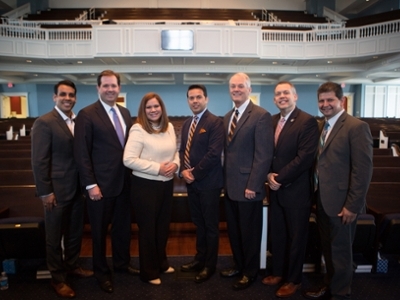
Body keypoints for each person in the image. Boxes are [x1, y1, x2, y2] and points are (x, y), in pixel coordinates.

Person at [303, 82, 373, 300]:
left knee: (341, 252)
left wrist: (352, 205)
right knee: (328, 249)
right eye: (321, 101)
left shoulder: (355, 127)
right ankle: (330, 285)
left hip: (343, 203)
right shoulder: (321, 126)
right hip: (323, 200)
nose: (325, 105)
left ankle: (341, 293)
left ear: (341, 101)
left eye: (330, 100)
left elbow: (362, 171)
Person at [74, 70, 138, 294]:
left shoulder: (126, 112)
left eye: (114, 86)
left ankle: (121, 264)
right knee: (99, 232)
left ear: (119, 88)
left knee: (122, 229)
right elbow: (82, 153)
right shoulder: (87, 114)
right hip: (100, 187)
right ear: (98, 88)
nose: (110, 89)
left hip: (124, 184)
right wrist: (90, 184)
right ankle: (101, 272)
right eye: (106, 86)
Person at [31, 80, 93, 298]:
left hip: (77, 189)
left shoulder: (77, 121)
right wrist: (46, 192)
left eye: (71, 95)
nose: (68, 98)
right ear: (54, 97)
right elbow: (39, 161)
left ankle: (73, 266)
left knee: (75, 233)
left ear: (75, 98)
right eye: (63, 94)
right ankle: (57, 279)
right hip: (56, 192)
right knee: (54, 237)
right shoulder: (44, 122)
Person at [261, 81, 319, 298]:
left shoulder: (307, 121)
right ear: (274, 99)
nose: (281, 96)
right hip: (275, 189)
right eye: (278, 94)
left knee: (296, 239)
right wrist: (268, 175)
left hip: (296, 191)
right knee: (278, 235)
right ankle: (278, 272)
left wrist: (279, 178)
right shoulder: (272, 120)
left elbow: (304, 158)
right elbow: (267, 153)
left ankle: (293, 279)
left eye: (286, 92)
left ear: (295, 96)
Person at [220, 72, 274, 290]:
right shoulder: (227, 116)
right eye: (233, 86)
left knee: (250, 234)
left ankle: (250, 272)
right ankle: (238, 265)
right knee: (234, 231)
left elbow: (264, 155)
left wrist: (253, 184)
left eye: (240, 86)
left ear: (249, 89)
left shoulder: (261, 115)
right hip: (230, 187)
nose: (236, 89)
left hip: (249, 187)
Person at [123, 92, 179, 285]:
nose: (153, 110)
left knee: (162, 228)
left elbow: (175, 151)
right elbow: (128, 159)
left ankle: (161, 263)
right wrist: (158, 168)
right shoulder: (138, 129)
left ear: (162, 108)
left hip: (166, 184)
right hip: (145, 186)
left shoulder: (169, 127)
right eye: (149, 107)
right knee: (148, 230)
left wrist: (176, 165)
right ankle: (149, 271)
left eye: (156, 106)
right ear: (143, 110)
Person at [179, 84, 224, 283]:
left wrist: (194, 173)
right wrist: (183, 170)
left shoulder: (215, 122)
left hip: (209, 184)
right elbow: (182, 151)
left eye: (199, 97)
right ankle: (199, 258)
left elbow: (214, 154)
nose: (195, 101)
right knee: (199, 224)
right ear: (188, 100)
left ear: (206, 99)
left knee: (210, 226)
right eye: (191, 98)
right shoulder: (187, 123)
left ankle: (209, 265)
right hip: (192, 183)